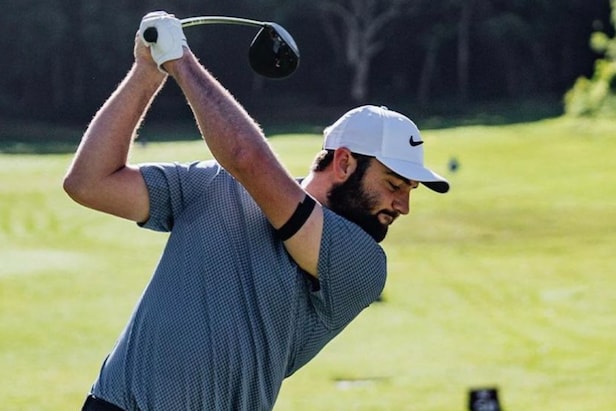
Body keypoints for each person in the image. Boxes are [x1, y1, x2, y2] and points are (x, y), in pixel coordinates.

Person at [64, 11, 449, 411]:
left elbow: (246, 157)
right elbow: (89, 183)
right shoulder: (213, 184)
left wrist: (179, 62)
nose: (403, 206)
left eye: (410, 191)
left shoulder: (362, 264)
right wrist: (146, 73)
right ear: (345, 163)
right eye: (393, 185)